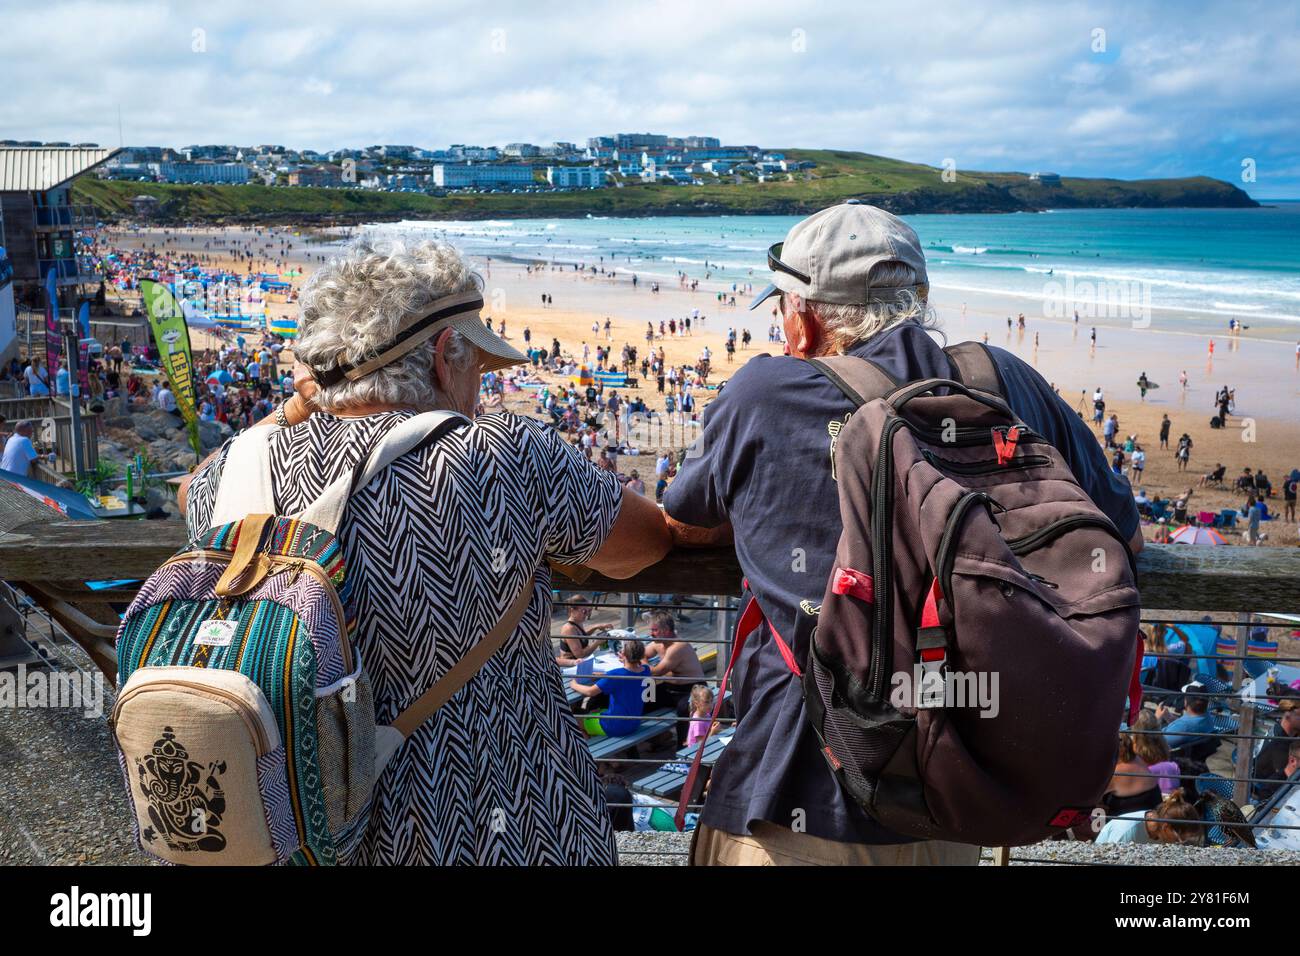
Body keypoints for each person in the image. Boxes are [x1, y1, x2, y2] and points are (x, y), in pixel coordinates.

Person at [663, 202, 1142, 867]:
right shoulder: (1004, 381)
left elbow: (682, 520)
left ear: (802, 321)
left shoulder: (765, 392)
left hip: (798, 794)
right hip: (957, 795)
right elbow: (1122, 537)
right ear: (917, 298)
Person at [179, 237, 671, 865]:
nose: (478, 392)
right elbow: (645, 542)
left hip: (305, 834)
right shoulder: (501, 454)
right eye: (476, 369)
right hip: (509, 825)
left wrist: (300, 404)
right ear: (444, 356)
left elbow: (192, 490)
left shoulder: (234, 470)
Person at [644, 610, 706, 746]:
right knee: (644, 698)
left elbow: (656, 672)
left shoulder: (678, 646)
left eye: (654, 630)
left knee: (683, 709)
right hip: (671, 688)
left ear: (665, 630)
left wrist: (642, 662)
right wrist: (640, 659)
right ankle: (657, 738)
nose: (651, 634)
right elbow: (642, 654)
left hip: (692, 688)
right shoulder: (658, 643)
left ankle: (683, 748)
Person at [569, 638, 652, 737]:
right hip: (634, 723)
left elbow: (590, 692)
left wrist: (573, 684)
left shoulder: (615, 675)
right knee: (596, 711)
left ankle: (587, 747)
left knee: (572, 720)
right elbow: (630, 674)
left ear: (622, 654)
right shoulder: (646, 670)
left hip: (614, 726)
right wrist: (601, 675)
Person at [1094, 789, 1203, 845]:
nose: (1180, 844)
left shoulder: (1159, 828)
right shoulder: (1127, 833)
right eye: (1180, 839)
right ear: (1166, 827)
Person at [1157, 684, 1216, 753]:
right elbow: (1183, 728)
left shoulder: (1184, 727)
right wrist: (1170, 718)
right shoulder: (1207, 716)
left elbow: (1154, 741)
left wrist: (1156, 719)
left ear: (1185, 702)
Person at [555, 595, 606, 666]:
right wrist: (597, 643)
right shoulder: (569, 629)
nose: (587, 614)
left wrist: (595, 627)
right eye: (584, 611)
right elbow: (580, 655)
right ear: (572, 610)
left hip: (582, 662)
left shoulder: (577, 622)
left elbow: (581, 637)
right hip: (570, 666)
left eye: (589, 610)